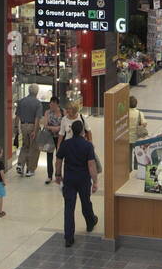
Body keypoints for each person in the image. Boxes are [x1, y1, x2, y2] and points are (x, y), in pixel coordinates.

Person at [54, 119, 99, 247]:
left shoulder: (66, 144)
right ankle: (90, 223)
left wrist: (58, 175)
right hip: (83, 179)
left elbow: (58, 160)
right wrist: (95, 181)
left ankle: (69, 237)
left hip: (69, 179)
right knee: (86, 202)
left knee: (69, 207)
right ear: (83, 132)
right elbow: (91, 165)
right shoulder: (87, 146)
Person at [15, 83, 45, 177]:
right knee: (34, 148)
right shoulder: (38, 103)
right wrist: (35, 131)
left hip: (23, 126)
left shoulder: (21, 101)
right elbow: (37, 119)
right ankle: (30, 169)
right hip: (32, 126)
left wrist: (16, 128)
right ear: (37, 92)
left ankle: (20, 164)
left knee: (25, 146)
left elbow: (17, 116)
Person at [40, 98, 63, 183]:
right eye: (50, 104)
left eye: (53, 104)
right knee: (49, 156)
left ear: (57, 104)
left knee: (60, 156)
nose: (51, 106)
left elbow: (65, 124)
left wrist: (59, 128)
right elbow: (45, 125)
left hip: (61, 137)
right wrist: (54, 128)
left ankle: (59, 174)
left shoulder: (63, 112)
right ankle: (49, 176)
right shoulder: (47, 112)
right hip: (49, 137)